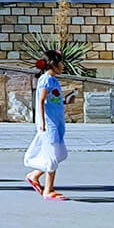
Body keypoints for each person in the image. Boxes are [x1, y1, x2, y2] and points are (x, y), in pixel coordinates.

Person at [26, 49, 70, 201]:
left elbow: (53, 100)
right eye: (61, 62)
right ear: (53, 64)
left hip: (56, 123)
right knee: (52, 155)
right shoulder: (45, 79)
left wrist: (66, 101)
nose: (63, 66)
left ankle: (34, 175)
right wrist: (42, 123)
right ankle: (48, 190)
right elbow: (41, 100)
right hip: (49, 124)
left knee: (59, 154)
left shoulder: (54, 80)